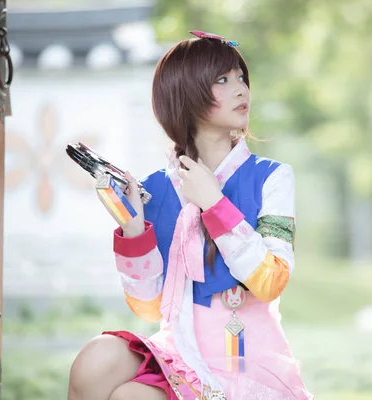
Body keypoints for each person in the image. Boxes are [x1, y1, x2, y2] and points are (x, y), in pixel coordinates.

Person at [67, 31, 314, 400]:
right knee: (94, 359)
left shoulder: (272, 178)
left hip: (242, 362)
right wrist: (134, 231)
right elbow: (149, 307)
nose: (241, 89)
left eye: (241, 77)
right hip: (179, 351)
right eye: (222, 80)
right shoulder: (155, 189)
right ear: (186, 94)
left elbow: (271, 282)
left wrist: (215, 205)